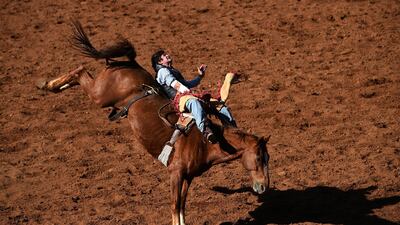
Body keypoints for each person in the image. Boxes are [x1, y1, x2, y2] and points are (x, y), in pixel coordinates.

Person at [151, 49, 236, 143]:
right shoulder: (163, 71)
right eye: (164, 55)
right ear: (160, 61)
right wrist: (191, 93)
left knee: (219, 105)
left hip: (187, 96)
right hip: (179, 99)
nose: (167, 55)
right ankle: (205, 130)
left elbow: (187, 84)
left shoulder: (171, 70)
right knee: (194, 102)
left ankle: (234, 130)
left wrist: (200, 76)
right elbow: (176, 85)